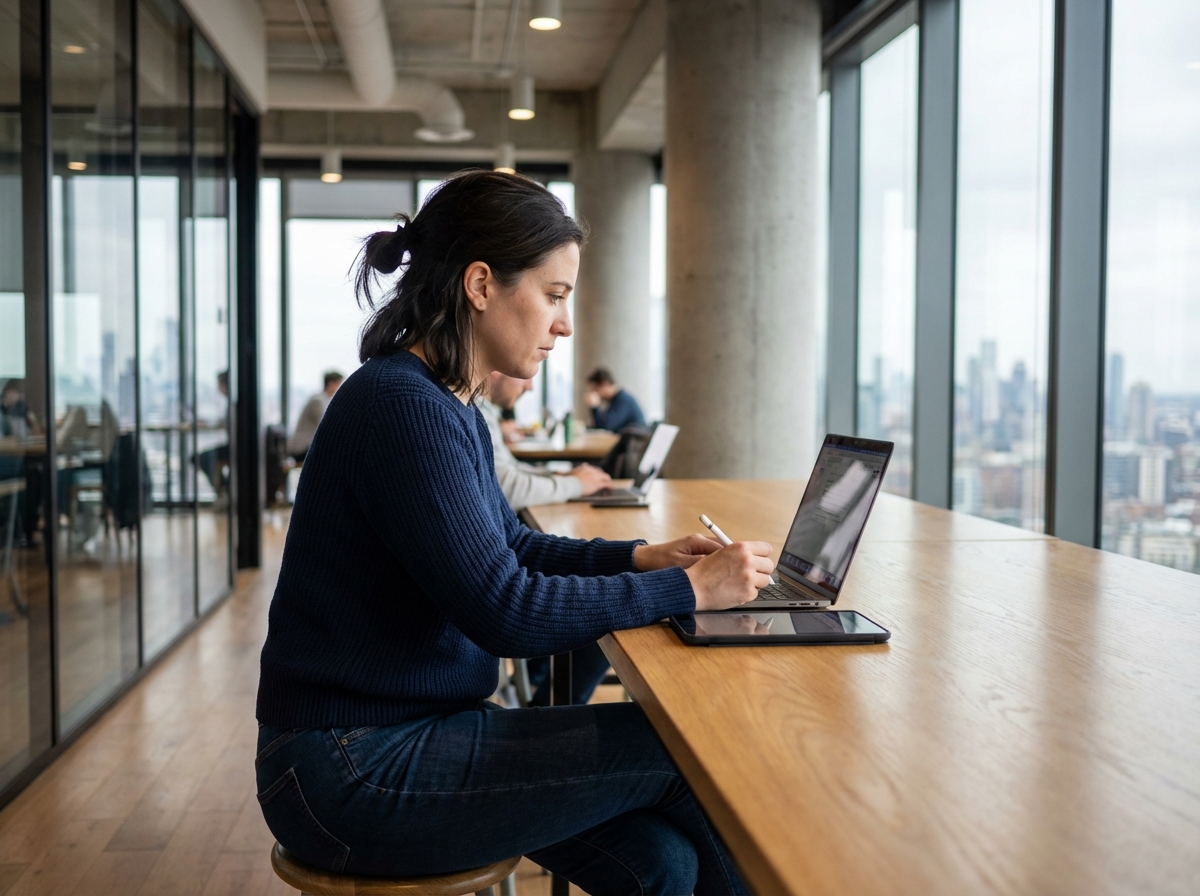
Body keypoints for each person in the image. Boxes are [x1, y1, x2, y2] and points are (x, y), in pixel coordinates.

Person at [255, 170, 774, 894]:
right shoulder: (401, 408)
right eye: (555, 295)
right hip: (346, 768)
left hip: (403, 738)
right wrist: (683, 587)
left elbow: (515, 550)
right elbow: (505, 610)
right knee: (684, 751)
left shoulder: (448, 406)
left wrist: (641, 555)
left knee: (662, 862)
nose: (565, 324)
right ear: (479, 285)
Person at [478, 372, 614, 707]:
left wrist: (638, 557)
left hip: (458, 701)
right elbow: (506, 608)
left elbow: (511, 516)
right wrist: (572, 484)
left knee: (617, 584)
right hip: (413, 726)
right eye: (524, 375)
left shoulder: (470, 411)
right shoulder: (441, 408)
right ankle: (547, 703)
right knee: (613, 602)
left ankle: (544, 691)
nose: (529, 385)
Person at [478, 372, 610, 510]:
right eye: (525, 375)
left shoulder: (486, 411)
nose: (530, 387)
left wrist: (557, 476)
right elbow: (505, 489)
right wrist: (576, 485)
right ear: (496, 371)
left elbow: (511, 469)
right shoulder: (475, 412)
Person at [287, 371, 343, 463]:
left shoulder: (322, 399)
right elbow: (327, 426)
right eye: (339, 384)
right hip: (302, 449)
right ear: (331, 384)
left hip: (307, 446)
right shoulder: (318, 401)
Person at [586, 367, 646, 432]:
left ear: (605, 384)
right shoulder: (615, 399)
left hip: (634, 440)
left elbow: (606, 427)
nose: (594, 393)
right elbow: (601, 425)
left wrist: (594, 407)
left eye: (595, 390)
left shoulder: (623, 400)